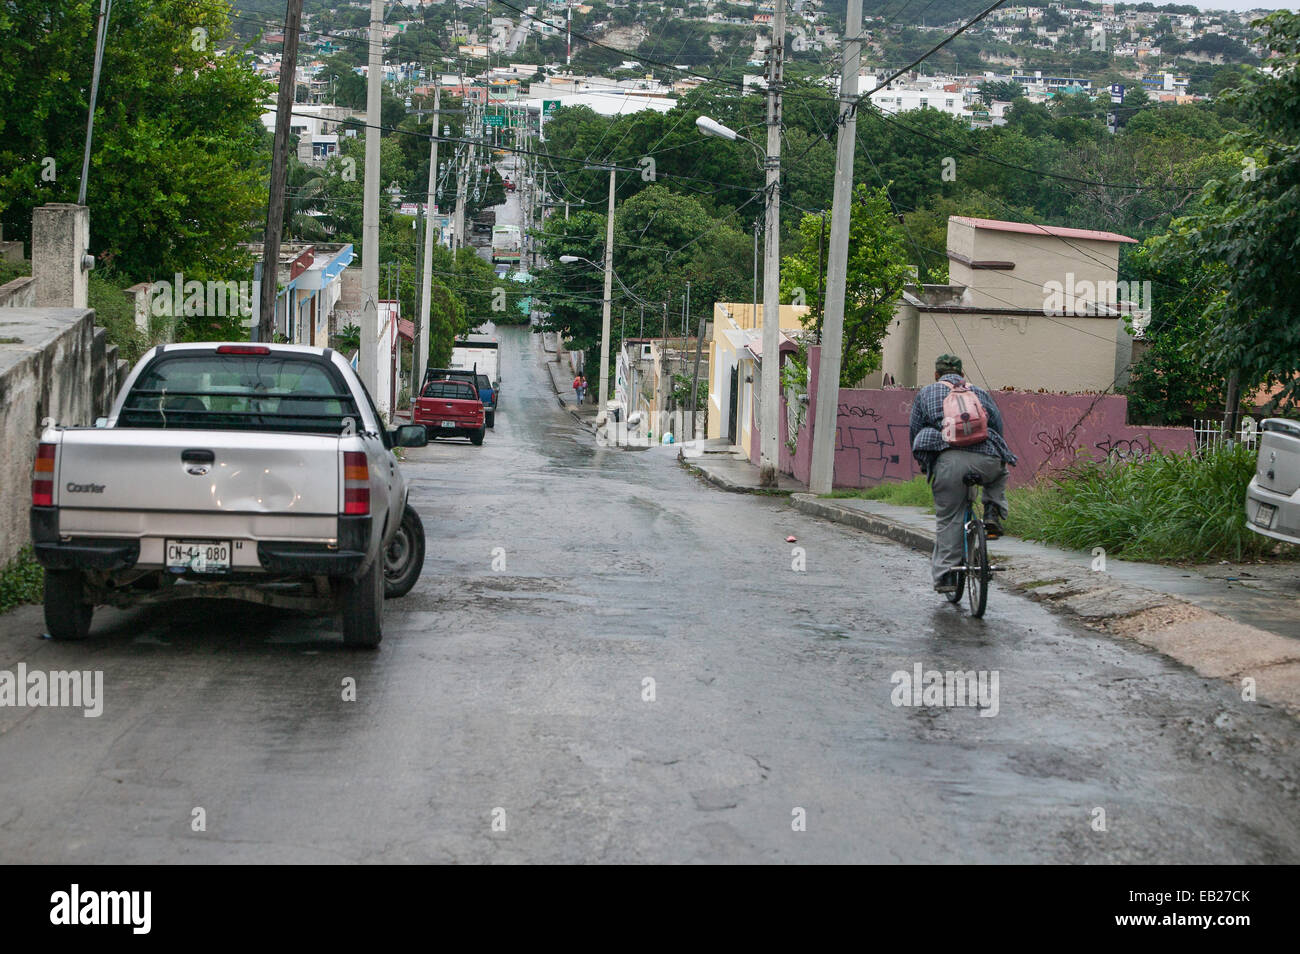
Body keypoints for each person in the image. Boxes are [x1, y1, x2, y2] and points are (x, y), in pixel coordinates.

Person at [909, 354, 1017, 594]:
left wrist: (926, 465)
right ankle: (991, 513)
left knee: (949, 519)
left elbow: (915, 431)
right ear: (962, 375)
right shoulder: (978, 392)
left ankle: (947, 576)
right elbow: (997, 428)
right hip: (987, 460)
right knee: (1000, 473)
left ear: (936, 375)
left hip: (949, 462)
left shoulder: (927, 393)